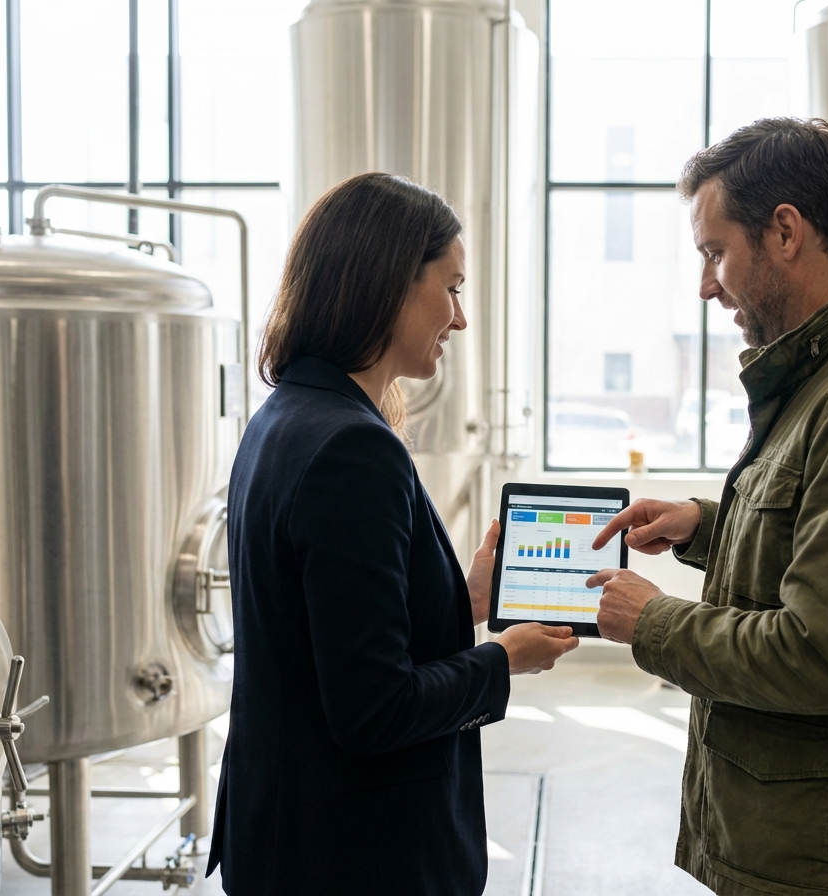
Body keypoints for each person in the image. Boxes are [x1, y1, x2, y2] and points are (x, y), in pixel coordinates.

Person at [589, 119, 828, 895]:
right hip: (802, 844)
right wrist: (709, 526)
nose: (706, 285)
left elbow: (822, 655)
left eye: (714, 252)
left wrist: (653, 621)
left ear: (786, 232)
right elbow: (816, 533)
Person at [206, 173, 578, 895]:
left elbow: (317, 635)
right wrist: (504, 658)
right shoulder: (352, 449)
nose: (460, 319)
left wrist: (459, 602)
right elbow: (374, 711)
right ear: (388, 284)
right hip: (354, 856)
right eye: (453, 287)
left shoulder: (284, 417)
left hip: (288, 833)